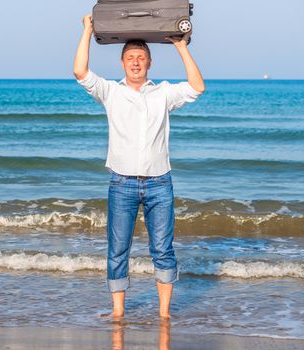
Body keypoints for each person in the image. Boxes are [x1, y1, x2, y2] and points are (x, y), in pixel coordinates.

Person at [73, 15, 205, 319]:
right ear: (122, 63)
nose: (136, 62)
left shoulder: (163, 94)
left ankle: (164, 315)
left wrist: (181, 47)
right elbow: (80, 71)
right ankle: (118, 313)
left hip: (160, 183)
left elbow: (198, 87)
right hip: (122, 183)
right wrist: (88, 30)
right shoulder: (111, 92)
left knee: (163, 249)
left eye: (141, 58)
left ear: (149, 64)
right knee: (118, 249)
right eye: (131, 57)